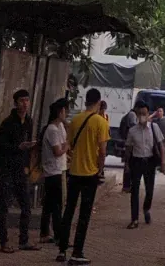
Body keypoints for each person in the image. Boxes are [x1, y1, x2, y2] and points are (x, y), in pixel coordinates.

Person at [56, 88, 109, 265]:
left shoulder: (75, 120)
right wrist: (100, 169)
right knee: (84, 214)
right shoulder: (101, 122)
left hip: (74, 172)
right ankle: (77, 252)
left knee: (69, 210)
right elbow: (102, 152)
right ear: (99, 102)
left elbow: (68, 146)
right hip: (90, 174)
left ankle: (62, 250)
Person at [0, 88, 36, 253]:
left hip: (20, 169)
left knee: (26, 204)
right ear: (16, 103)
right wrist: (16, 147)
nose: (25, 104)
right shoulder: (8, 122)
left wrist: (27, 165)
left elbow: (28, 147)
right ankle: (3, 242)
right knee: (4, 205)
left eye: (27, 100)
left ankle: (23, 240)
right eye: (21, 101)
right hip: (7, 168)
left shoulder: (29, 122)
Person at [124, 99, 165, 227]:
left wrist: (163, 162)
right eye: (140, 113)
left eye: (144, 113)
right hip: (136, 162)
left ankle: (146, 209)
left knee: (149, 190)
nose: (142, 116)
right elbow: (129, 148)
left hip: (149, 162)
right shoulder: (132, 131)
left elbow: (161, 145)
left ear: (148, 114)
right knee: (134, 190)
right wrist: (126, 164)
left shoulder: (154, 127)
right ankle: (134, 219)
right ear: (136, 114)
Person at [39, 99, 70, 246]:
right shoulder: (52, 129)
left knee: (50, 204)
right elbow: (58, 151)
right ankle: (58, 234)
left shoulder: (61, 128)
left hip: (59, 169)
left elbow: (63, 144)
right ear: (60, 112)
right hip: (53, 171)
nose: (67, 114)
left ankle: (45, 233)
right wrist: (67, 147)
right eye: (65, 111)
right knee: (57, 204)